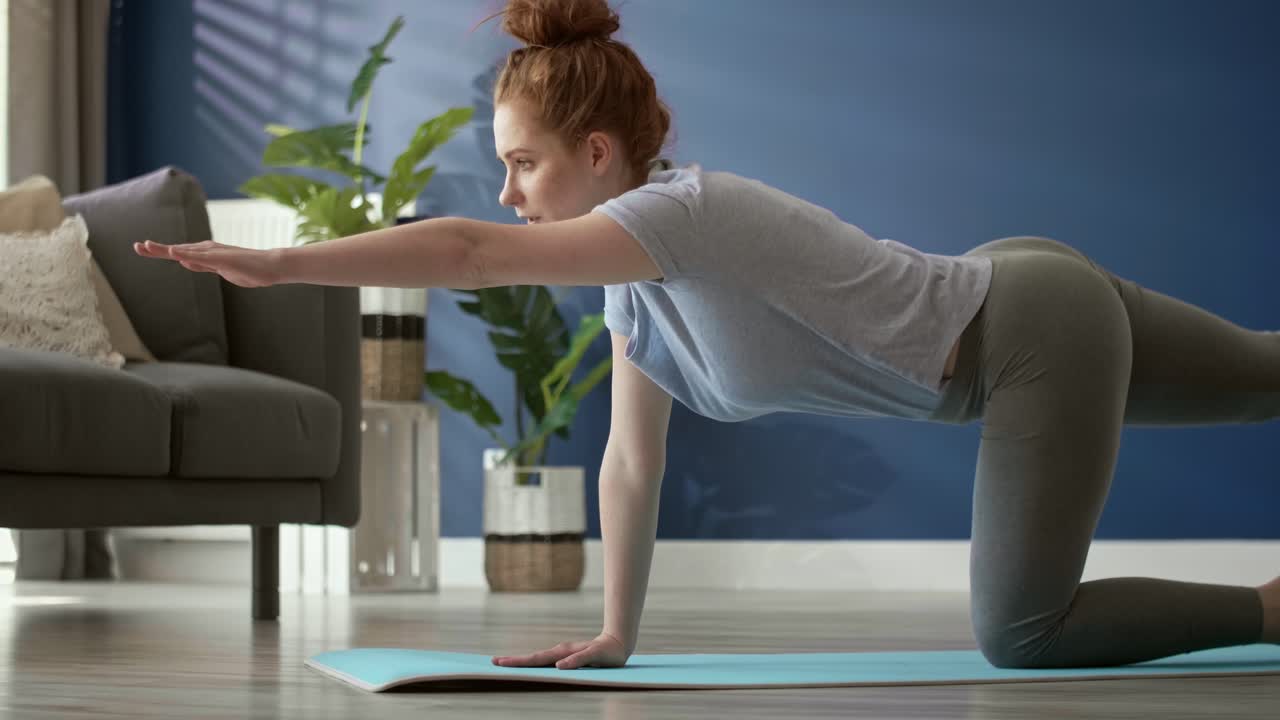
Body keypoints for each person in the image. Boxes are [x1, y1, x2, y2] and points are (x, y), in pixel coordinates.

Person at [135, 0, 1279, 670]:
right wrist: (615, 633)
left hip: (1027, 329)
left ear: (598, 154)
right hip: (1025, 298)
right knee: (1262, 378)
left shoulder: (685, 213)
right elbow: (633, 462)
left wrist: (281, 262)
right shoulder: (637, 292)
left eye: (522, 163)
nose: (507, 191)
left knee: (1020, 633)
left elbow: (468, 256)